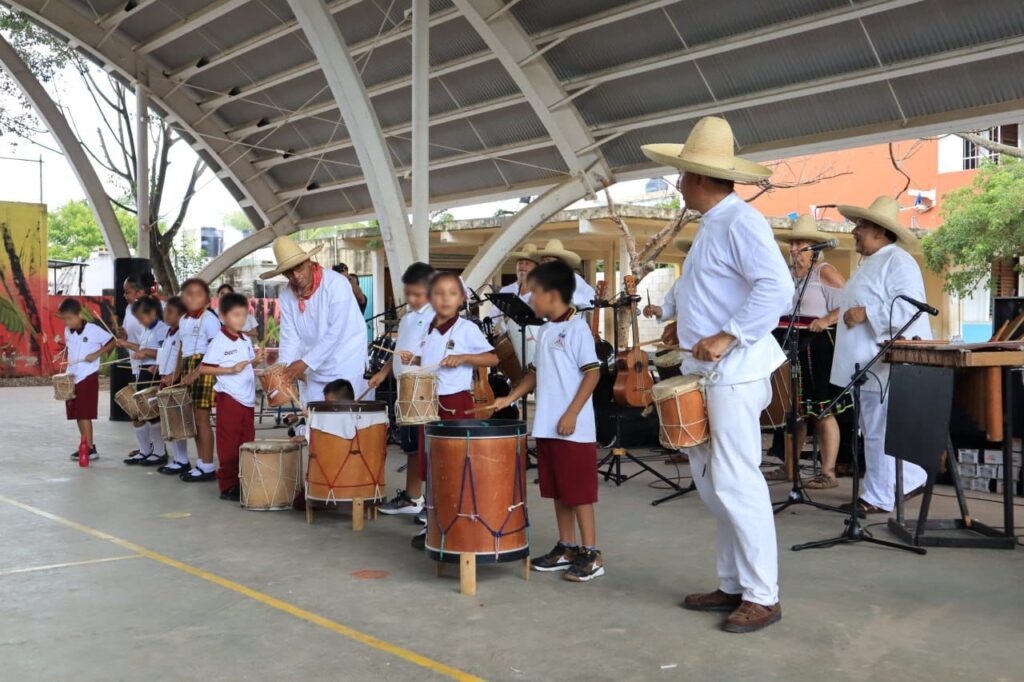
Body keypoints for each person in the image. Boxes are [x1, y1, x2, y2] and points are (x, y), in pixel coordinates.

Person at [641, 116, 793, 633]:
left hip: (735, 370)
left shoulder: (740, 221)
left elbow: (776, 289)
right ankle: (733, 584)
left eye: (682, 175)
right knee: (714, 485)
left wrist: (727, 334)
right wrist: (684, 323)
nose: (679, 183)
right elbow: (720, 291)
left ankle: (762, 595)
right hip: (708, 371)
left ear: (700, 179)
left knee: (736, 482)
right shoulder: (715, 225)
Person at [491, 260, 603, 582]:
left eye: (534, 293)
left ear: (553, 294)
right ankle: (566, 546)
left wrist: (571, 413)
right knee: (558, 491)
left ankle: (591, 553)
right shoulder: (547, 330)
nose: (530, 300)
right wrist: (509, 397)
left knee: (579, 494)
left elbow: (592, 374)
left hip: (574, 430)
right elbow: (535, 374)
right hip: (548, 426)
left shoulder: (577, 328)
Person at [831, 196, 930, 514]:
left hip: (883, 363)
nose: (854, 231)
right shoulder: (871, 262)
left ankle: (877, 495)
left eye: (860, 225)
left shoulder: (897, 261)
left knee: (877, 431)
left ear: (878, 230)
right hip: (866, 364)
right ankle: (907, 480)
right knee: (874, 430)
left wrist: (866, 312)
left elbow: (911, 308)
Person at [398, 271, 498, 548]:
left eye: (452, 293)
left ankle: (457, 524)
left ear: (462, 299)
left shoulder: (467, 329)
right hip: (428, 402)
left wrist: (465, 357)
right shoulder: (428, 328)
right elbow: (431, 360)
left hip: (455, 404)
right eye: (439, 292)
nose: (445, 298)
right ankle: (433, 524)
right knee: (431, 466)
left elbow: (494, 357)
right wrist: (413, 358)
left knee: (454, 467)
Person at [764, 215, 849, 487]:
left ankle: (828, 472)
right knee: (792, 409)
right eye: (792, 244)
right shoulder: (787, 275)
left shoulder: (824, 271)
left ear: (814, 247)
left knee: (821, 409)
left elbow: (851, 303)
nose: (793, 249)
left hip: (816, 345)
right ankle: (790, 467)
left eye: (800, 244)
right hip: (786, 342)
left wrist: (824, 320)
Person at [262, 236, 369, 403]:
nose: (296, 276)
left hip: (345, 361)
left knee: (343, 419)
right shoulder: (286, 294)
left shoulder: (337, 284)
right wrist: (284, 369)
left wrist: (305, 362)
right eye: (289, 273)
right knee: (314, 419)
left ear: (309, 263)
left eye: (299, 268)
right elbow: (290, 337)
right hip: (313, 367)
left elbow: (336, 332)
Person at [372, 262, 436, 517]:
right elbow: (399, 354)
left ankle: (433, 502)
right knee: (411, 446)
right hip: (405, 389)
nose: (412, 299)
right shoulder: (408, 318)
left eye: (417, 294)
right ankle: (412, 497)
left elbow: (436, 355)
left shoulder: (437, 317)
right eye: (408, 293)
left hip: (425, 390)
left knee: (429, 447)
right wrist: (383, 372)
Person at [199, 293, 263, 501]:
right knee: (228, 443)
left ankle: (243, 480)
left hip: (247, 399)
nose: (241, 320)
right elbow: (204, 368)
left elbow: (246, 363)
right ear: (223, 316)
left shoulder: (244, 339)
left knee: (246, 441)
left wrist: (256, 361)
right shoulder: (219, 340)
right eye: (236, 315)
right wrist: (230, 370)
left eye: (244, 315)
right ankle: (227, 485)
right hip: (229, 398)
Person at [58, 299, 114, 461]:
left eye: (70, 318)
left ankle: (90, 448)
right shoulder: (68, 331)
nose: (67, 322)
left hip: (87, 376)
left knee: (85, 414)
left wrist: (96, 354)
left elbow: (112, 343)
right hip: (72, 376)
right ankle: (85, 443)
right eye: (65, 319)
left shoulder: (93, 330)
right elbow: (71, 349)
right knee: (76, 413)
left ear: (80, 314)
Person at [177, 278, 221, 482]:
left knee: (202, 418)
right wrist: (176, 374)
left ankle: (208, 465)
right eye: (189, 294)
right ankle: (201, 463)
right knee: (194, 419)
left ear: (207, 299)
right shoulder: (183, 320)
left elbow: (215, 348)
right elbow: (181, 350)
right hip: (188, 365)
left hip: (204, 366)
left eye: (198, 294)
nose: (193, 298)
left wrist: (200, 371)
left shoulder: (209, 319)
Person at [123, 296, 169, 466]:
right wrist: (127, 345)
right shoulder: (146, 330)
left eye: (142, 317)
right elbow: (142, 349)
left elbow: (166, 353)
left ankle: (159, 451)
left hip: (154, 373)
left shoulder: (163, 329)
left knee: (152, 413)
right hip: (143, 372)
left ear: (153, 313)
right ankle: (144, 450)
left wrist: (147, 354)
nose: (140, 322)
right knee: (137, 412)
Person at [156, 297, 191, 476]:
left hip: (174, 381)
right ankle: (177, 459)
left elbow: (180, 355)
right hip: (165, 378)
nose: (166, 314)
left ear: (181, 315)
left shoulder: (181, 333)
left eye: (170, 311)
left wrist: (175, 376)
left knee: (176, 421)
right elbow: (166, 354)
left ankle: (182, 460)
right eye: (166, 311)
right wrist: (159, 367)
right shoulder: (169, 332)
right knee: (169, 420)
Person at [535, 239, 597, 310]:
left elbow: (593, 301)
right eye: (544, 261)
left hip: (572, 320)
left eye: (549, 260)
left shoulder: (574, 278)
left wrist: (572, 298)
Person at [486, 244, 538, 324]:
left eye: (527, 263)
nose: (522, 266)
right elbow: (493, 317)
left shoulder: (542, 292)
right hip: (507, 336)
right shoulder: (506, 290)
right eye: (520, 263)